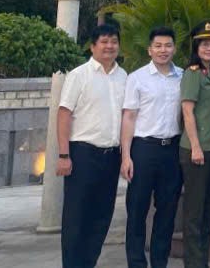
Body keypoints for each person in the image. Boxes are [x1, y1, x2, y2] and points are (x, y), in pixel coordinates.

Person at [57, 23, 127, 268]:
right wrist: (63, 155)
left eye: (114, 41)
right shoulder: (79, 75)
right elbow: (64, 114)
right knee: (77, 216)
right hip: (83, 154)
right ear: (92, 46)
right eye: (104, 41)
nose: (109, 46)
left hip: (112, 156)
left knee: (102, 215)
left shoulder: (124, 76)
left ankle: (89, 263)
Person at [121, 26, 183, 268]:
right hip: (144, 149)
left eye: (168, 45)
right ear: (149, 50)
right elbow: (129, 117)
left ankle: (159, 262)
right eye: (158, 46)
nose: (163, 50)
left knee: (167, 212)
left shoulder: (183, 76)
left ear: (174, 48)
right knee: (137, 210)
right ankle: (136, 262)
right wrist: (126, 156)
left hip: (172, 150)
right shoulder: (137, 78)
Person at [179, 20, 210, 268]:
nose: (209, 48)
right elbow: (188, 112)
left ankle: (202, 260)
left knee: (208, 210)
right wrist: (196, 146)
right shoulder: (193, 74)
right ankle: (193, 263)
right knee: (194, 212)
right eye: (204, 44)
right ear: (196, 47)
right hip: (196, 150)